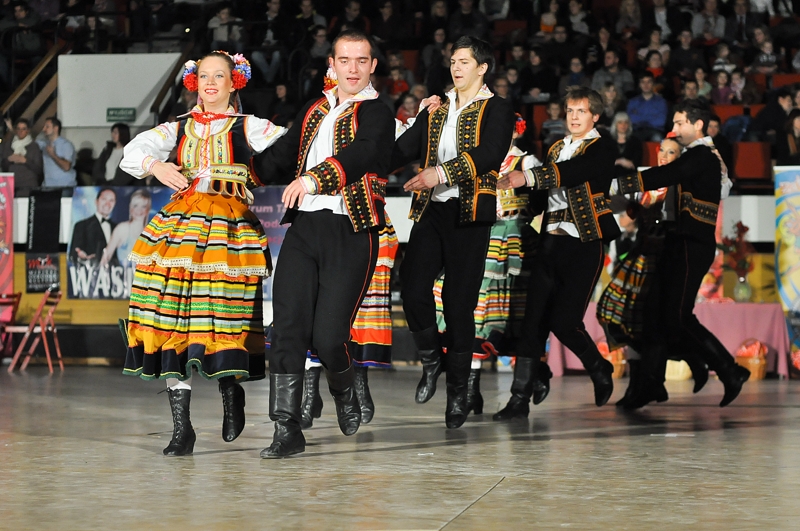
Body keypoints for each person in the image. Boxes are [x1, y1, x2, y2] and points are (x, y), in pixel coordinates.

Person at [119, 51, 287, 456]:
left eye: (219, 76)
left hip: (228, 230)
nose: (210, 83)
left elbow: (298, 144)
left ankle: (231, 391)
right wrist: (156, 167)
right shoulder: (177, 127)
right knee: (170, 318)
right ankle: (182, 428)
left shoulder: (249, 126)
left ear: (234, 82)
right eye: (204, 76)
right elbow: (133, 152)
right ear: (195, 83)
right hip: (179, 230)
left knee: (221, 315)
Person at [252, 29, 396, 458]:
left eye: (361, 60)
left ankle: (344, 388)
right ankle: (286, 429)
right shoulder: (315, 109)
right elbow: (280, 156)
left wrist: (313, 179)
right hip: (304, 229)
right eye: (344, 60)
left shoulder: (377, 112)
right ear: (331, 64)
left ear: (372, 66)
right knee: (287, 329)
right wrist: (234, 170)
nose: (353, 68)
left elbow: (363, 153)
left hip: (352, 230)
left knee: (330, 337)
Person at [392, 35, 514, 429]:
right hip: (432, 210)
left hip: (470, 214)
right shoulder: (437, 107)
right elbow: (402, 149)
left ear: (482, 68)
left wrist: (440, 173)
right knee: (413, 287)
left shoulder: (497, 107)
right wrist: (354, 166)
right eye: (453, 61)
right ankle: (432, 359)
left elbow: (490, 154)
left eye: (464, 61)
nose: (456, 67)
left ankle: (458, 392)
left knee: (458, 303)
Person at [493, 86, 620, 420]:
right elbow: (539, 197)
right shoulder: (554, 148)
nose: (574, 117)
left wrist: (527, 177)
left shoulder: (603, 147)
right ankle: (519, 398)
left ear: (595, 116)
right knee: (532, 322)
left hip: (585, 243)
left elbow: (574, 173)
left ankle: (598, 366)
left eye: (581, 111)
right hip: (549, 242)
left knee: (565, 322)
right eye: (570, 111)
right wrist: (504, 204)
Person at [615, 100, 751, 408]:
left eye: (680, 123)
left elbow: (668, 175)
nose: (674, 129)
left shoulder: (704, 155)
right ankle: (651, 382)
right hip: (677, 243)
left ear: (698, 124)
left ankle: (728, 369)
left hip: (692, 244)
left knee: (677, 315)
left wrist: (617, 184)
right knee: (654, 313)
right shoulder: (696, 155)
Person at [432, 115, 540, 415]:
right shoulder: (481, 160)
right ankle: (471, 389)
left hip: (513, 240)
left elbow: (540, 202)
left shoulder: (526, 162)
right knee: (472, 308)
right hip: (481, 236)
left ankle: (532, 379)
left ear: (516, 133)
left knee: (511, 312)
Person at [98, 188, 151, 271]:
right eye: (135, 205)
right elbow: (105, 258)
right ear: (130, 208)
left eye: (143, 206)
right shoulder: (121, 228)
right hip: (121, 277)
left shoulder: (152, 233)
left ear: (148, 209)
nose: (139, 210)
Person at [68, 187, 118, 268]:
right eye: (104, 199)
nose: (107, 204)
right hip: (90, 273)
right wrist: (82, 258)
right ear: (96, 201)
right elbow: (73, 255)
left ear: (115, 203)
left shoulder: (118, 228)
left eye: (111, 200)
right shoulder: (81, 226)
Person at [1, 117, 42, 197]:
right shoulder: (9, 145)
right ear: (15, 130)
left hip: (28, 185)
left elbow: (38, 169)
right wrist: (9, 160)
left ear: (28, 130)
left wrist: (25, 161)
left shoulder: (34, 146)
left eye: (23, 129)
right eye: (18, 128)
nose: (21, 131)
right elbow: (3, 167)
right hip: (11, 185)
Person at [37, 116, 77, 188]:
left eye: (47, 127)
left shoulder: (66, 145)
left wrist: (53, 155)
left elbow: (66, 167)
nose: (43, 129)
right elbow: (28, 140)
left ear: (55, 128)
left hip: (64, 186)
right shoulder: (44, 143)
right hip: (48, 186)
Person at [627, 73, 668, 142]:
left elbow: (661, 121)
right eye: (643, 82)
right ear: (639, 84)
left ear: (653, 84)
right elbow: (630, 119)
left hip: (655, 130)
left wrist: (639, 117)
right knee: (629, 139)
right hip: (636, 131)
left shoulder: (661, 102)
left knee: (657, 138)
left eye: (649, 82)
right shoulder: (632, 101)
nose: (646, 85)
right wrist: (651, 117)